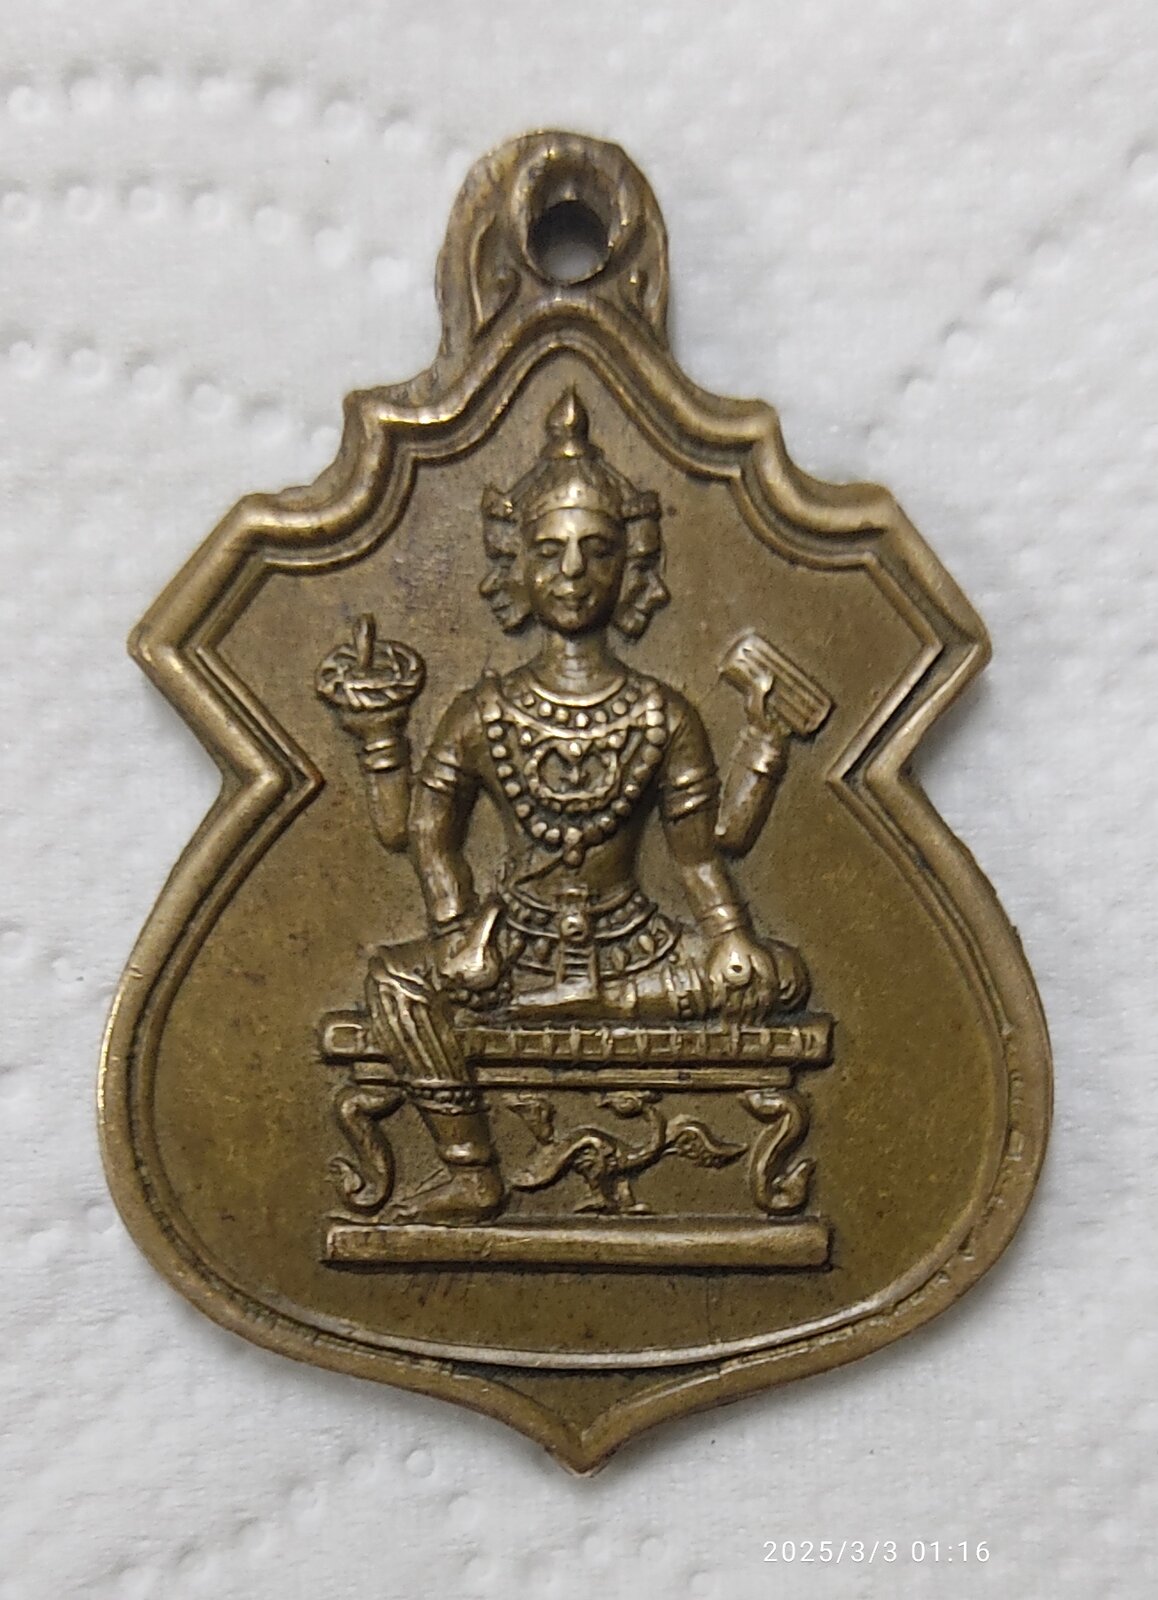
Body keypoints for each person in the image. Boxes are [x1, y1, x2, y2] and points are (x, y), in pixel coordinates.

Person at [357, 389, 808, 1223]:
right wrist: (455, 930)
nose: (572, 573)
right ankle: (470, 1169)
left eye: (596, 552)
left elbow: (704, 852)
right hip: (512, 945)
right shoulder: (483, 712)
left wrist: (732, 935)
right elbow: (420, 833)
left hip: (635, 945)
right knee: (393, 980)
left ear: (630, 569)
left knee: (781, 974)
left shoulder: (663, 713)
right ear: (516, 567)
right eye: (550, 551)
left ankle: (599, 1003)